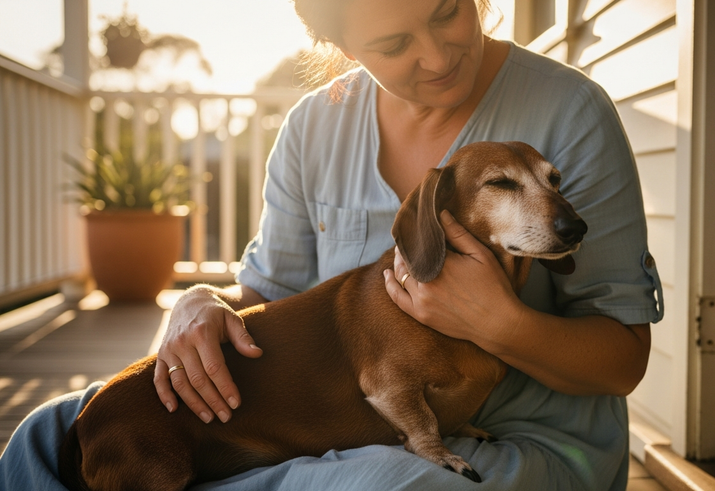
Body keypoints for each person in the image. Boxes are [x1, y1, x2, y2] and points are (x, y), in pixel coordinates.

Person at [0, 0, 663, 489]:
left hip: (518, 445)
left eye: (449, 13)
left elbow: (622, 361)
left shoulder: (572, 116)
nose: (435, 55)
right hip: (329, 434)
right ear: (342, 46)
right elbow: (266, 308)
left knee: (381, 484)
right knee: (47, 431)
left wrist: (500, 321)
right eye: (395, 42)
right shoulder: (312, 128)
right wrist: (200, 302)